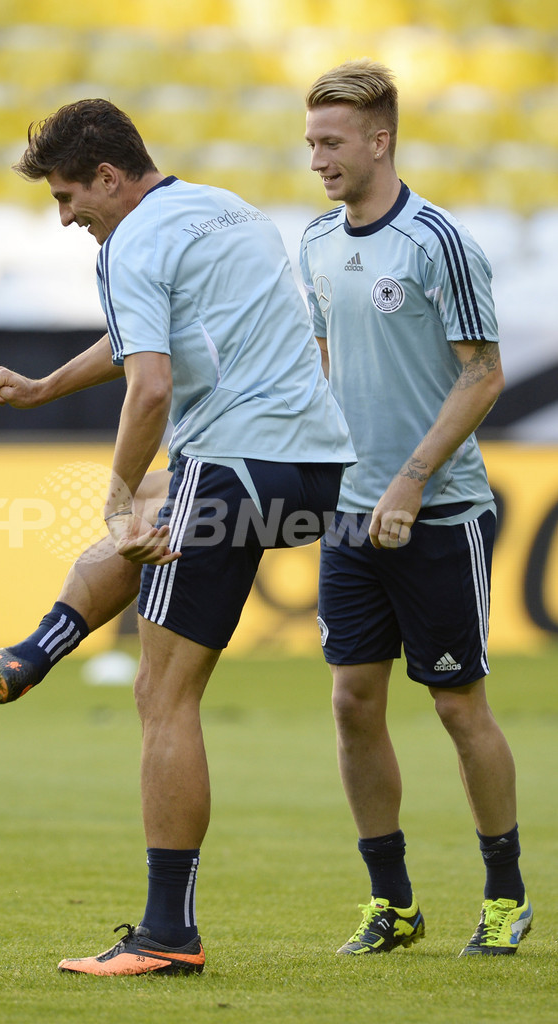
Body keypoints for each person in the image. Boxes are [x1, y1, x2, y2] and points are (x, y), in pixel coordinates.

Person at [0, 97, 356, 975]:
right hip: (315, 472)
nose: (66, 216)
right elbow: (157, 344)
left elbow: (151, 386)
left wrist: (115, 494)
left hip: (233, 459)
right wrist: (47, 387)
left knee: (162, 696)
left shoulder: (127, 244)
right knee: (156, 513)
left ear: (110, 179)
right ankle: (25, 658)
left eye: (67, 197)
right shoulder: (224, 209)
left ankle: (166, 935)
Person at [299, 58, 530, 957]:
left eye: (331, 141)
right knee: (353, 702)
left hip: (437, 513)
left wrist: (412, 478)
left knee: (455, 705)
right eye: (310, 140)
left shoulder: (436, 243)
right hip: (349, 519)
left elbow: (484, 374)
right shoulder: (316, 241)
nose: (316, 156)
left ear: (379, 140)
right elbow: (321, 372)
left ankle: (505, 895)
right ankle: (391, 904)